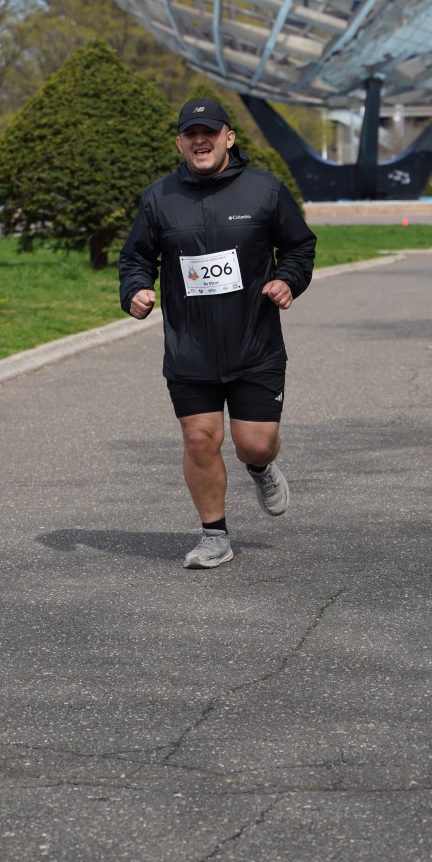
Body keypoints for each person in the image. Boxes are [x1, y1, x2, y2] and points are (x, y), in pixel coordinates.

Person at [119, 98, 316, 570]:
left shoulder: (265, 191)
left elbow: (299, 247)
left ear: (229, 137)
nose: (200, 140)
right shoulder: (159, 197)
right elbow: (136, 257)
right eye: (191, 134)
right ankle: (213, 535)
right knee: (199, 439)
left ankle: (261, 467)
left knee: (255, 442)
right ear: (179, 143)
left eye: (209, 132)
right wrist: (135, 290)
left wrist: (288, 280)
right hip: (190, 347)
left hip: (254, 344)